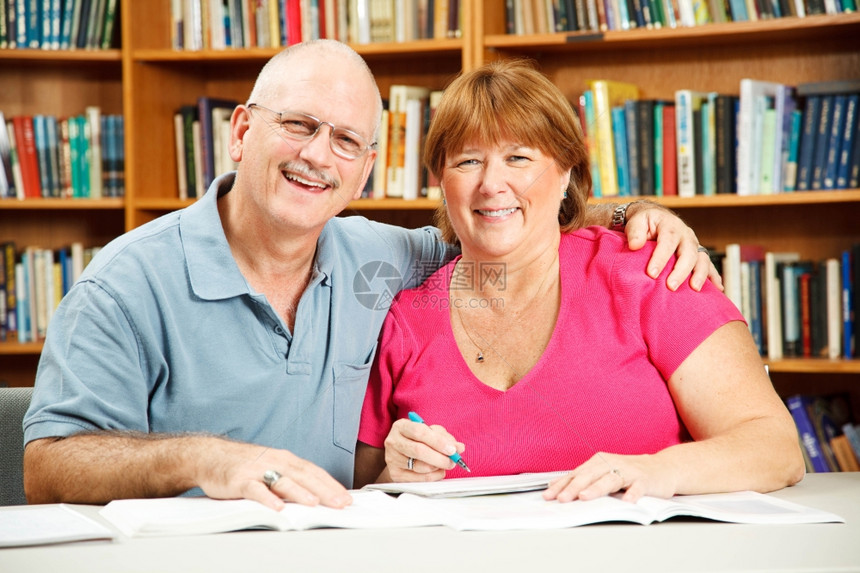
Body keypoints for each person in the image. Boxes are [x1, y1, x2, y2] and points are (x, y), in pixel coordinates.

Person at [23, 41, 716, 512]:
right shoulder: (125, 282)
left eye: (347, 141)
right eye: (298, 124)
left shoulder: (382, 258)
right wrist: (204, 459)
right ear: (240, 132)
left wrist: (626, 212)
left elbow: (498, 220)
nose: (318, 156)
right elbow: (47, 466)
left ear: (366, 168)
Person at [354, 59, 805, 502]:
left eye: (518, 157)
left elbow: (776, 448)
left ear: (566, 172)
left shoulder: (648, 272)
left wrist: (654, 469)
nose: (492, 183)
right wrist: (395, 474)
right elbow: (365, 485)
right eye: (468, 161)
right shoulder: (406, 319)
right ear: (441, 181)